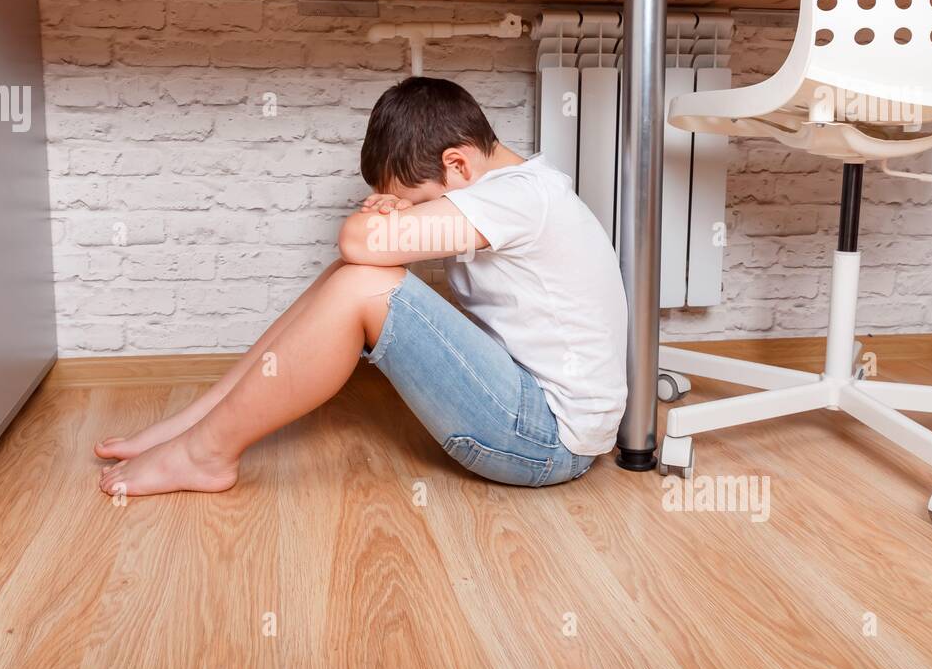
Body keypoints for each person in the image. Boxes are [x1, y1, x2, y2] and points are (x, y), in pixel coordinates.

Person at [97, 76, 628, 496]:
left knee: (361, 286)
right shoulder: (510, 189)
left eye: (417, 200)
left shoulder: (518, 198)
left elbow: (357, 240)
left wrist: (389, 223)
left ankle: (205, 453)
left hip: (546, 441)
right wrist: (407, 209)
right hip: (531, 415)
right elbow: (369, 251)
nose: (418, 212)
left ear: (457, 164)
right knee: (351, 279)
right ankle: (198, 423)